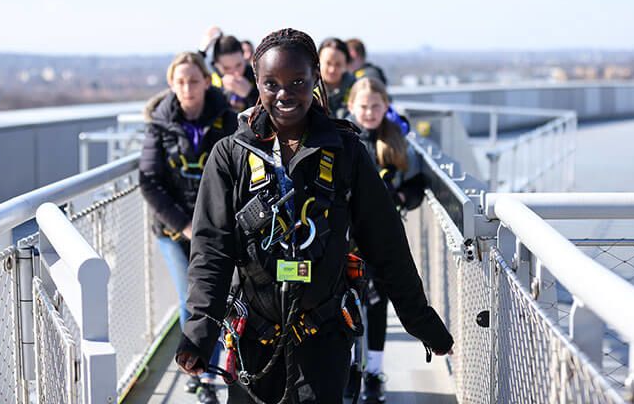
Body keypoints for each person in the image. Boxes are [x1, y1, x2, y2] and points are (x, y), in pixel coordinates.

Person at [175, 28, 453, 404]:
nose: (284, 94)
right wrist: (199, 333)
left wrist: (422, 323)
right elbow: (212, 251)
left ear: (315, 81)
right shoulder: (230, 155)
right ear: (256, 83)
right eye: (271, 84)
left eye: (298, 82)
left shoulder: (346, 153)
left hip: (323, 337)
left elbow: (386, 244)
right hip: (253, 339)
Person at [139, 51, 238, 404]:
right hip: (173, 230)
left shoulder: (226, 119)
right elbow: (149, 181)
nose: (187, 87)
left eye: (194, 80)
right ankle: (201, 377)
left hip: (217, 229)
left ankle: (214, 369)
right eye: (180, 81)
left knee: (220, 298)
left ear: (206, 81)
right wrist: (183, 225)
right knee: (191, 299)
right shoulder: (159, 124)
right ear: (171, 83)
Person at [345, 77, 427, 403]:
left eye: (375, 106)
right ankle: (350, 367)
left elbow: (419, 184)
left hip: (381, 240)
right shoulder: (340, 138)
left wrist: (402, 197)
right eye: (363, 106)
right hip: (346, 239)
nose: (368, 112)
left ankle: (374, 372)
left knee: (378, 304)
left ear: (386, 107)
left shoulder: (395, 142)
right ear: (351, 106)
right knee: (347, 305)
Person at [199, 28, 259, 112]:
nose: (235, 72)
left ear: (243, 58)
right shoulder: (209, 80)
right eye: (226, 68)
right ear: (217, 65)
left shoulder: (256, 76)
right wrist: (201, 52)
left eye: (238, 65)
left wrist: (251, 94)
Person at [318, 37, 355, 118]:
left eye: (338, 64)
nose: (332, 70)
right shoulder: (306, 89)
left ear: (346, 65)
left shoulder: (357, 90)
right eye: (328, 63)